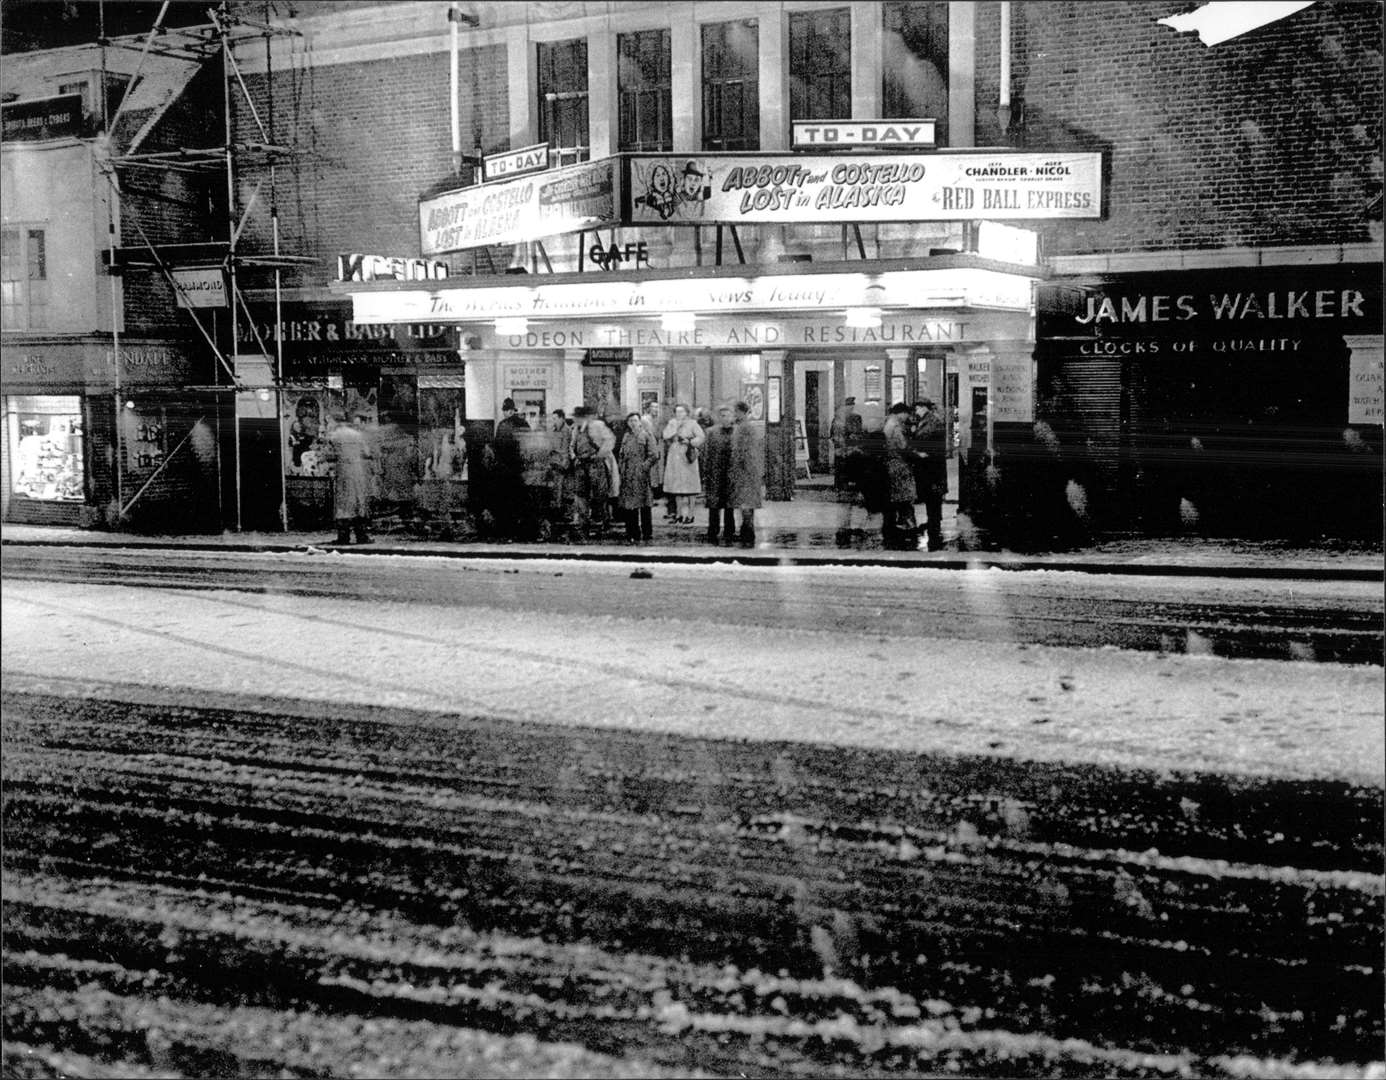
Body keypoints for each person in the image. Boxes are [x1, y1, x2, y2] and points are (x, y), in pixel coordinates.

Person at [325, 408, 375, 545]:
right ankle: (361, 535)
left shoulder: (334, 436)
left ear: (335, 421)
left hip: (343, 469)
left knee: (343, 503)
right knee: (359, 501)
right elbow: (367, 452)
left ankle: (343, 536)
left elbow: (328, 455)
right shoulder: (357, 435)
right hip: (358, 469)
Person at [570, 406, 616, 540]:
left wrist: (600, 455)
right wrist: (574, 457)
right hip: (581, 465)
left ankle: (603, 523)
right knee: (580, 496)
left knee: (600, 495)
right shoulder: (575, 429)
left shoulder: (597, 426)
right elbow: (572, 445)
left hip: (595, 465)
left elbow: (610, 440)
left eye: (577, 417)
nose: (575, 419)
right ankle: (584, 526)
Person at [488, 397, 530, 540]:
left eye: (505, 411)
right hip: (519, 470)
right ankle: (521, 533)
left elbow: (496, 447)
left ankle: (506, 532)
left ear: (509, 411)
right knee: (519, 502)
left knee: (505, 502)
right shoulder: (523, 423)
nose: (505, 413)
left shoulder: (502, 425)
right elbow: (527, 446)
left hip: (504, 470)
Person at [910, 398, 948, 551]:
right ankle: (933, 524)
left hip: (931, 467)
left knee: (933, 497)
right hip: (931, 466)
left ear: (924, 407)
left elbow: (925, 440)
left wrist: (916, 448)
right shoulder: (928, 420)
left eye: (918, 408)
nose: (916, 411)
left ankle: (934, 527)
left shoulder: (931, 422)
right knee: (932, 497)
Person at [617, 412, 660, 543]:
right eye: (630, 421)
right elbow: (621, 455)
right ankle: (632, 532)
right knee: (630, 506)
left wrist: (644, 467)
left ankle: (647, 533)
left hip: (642, 475)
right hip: (628, 475)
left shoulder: (646, 434)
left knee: (645, 505)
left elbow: (654, 455)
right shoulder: (626, 436)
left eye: (635, 420)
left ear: (640, 422)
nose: (633, 423)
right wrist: (621, 470)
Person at [882, 402, 918, 550]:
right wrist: (915, 452)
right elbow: (902, 446)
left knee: (896, 496)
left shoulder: (888, 422)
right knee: (905, 496)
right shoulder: (895, 426)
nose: (908, 417)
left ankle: (895, 524)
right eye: (906, 414)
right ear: (901, 413)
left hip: (892, 463)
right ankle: (907, 525)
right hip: (899, 464)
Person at [829, 396, 865, 547]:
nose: (850, 408)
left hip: (850, 459)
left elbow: (858, 436)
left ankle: (847, 526)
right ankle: (845, 526)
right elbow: (837, 441)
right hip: (846, 460)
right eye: (847, 406)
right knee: (846, 496)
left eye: (851, 406)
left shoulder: (853, 419)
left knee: (850, 495)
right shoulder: (838, 421)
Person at [661, 403, 705, 525]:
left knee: (690, 486)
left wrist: (690, 441)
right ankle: (679, 514)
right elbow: (665, 435)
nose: (679, 414)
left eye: (682, 412)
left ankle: (690, 514)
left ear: (686, 412)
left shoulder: (692, 423)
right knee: (677, 486)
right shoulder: (672, 422)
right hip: (675, 455)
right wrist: (674, 429)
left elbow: (701, 437)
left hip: (688, 454)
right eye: (677, 412)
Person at [729, 400, 764, 547]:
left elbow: (743, 452)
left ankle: (747, 534)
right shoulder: (745, 427)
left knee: (746, 504)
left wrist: (738, 469)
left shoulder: (744, 428)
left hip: (745, 473)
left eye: (736, 412)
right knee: (746, 504)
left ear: (742, 412)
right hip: (748, 472)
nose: (734, 415)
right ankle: (746, 531)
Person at [702, 404, 736, 543]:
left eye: (727, 415)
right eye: (722, 416)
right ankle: (713, 530)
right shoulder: (711, 432)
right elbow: (706, 453)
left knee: (730, 504)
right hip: (715, 473)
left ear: (733, 417)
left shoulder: (737, 432)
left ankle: (729, 530)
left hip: (731, 473)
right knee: (714, 504)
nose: (725, 418)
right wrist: (706, 472)